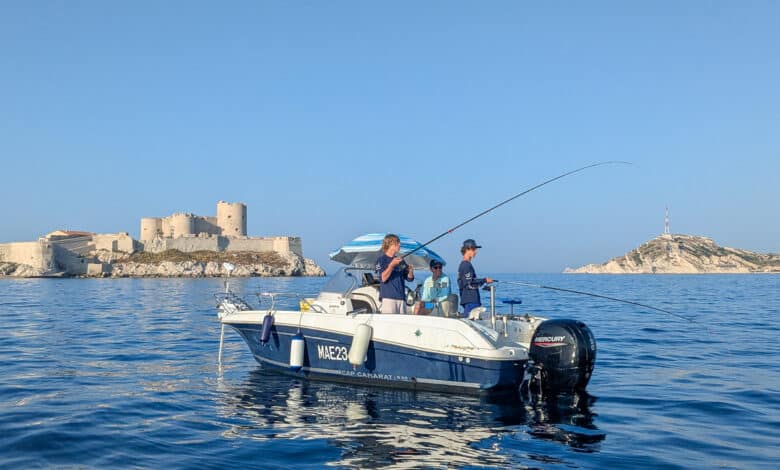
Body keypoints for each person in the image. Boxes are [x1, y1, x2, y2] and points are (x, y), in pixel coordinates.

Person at [375, 234, 414, 314]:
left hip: (402, 298)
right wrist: (392, 265)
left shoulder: (400, 261)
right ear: (391, 245)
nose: (400, 245)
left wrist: (410, 271)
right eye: (397, 243)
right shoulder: (381, 260)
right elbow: (383, 278)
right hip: (388, 298)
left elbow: (409, 279)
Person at [457, 239, 493, 318]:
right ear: (467, 250)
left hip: (468, 299)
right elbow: (469, 283)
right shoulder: (466, 265)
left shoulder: (464, 265)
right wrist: (485, 280)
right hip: (471, 300)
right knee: (471, 321)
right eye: (473, 249)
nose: (476, 251)